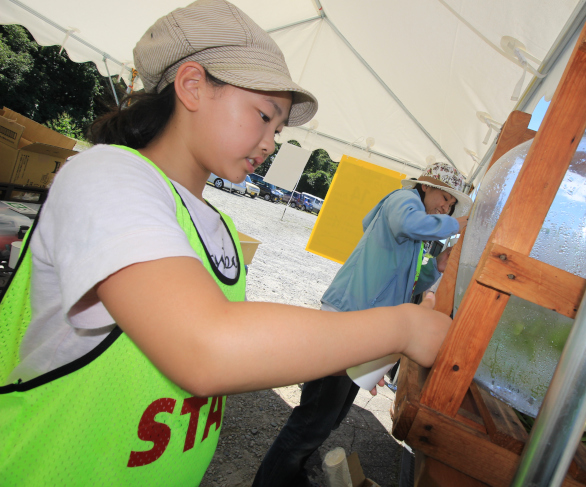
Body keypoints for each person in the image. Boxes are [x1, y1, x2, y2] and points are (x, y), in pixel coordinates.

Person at [0, 1, 451, 485]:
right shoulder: (106, 175)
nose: (272, 141)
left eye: (278, 129)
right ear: (192, 86)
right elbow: (205, 347)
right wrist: (403, 328)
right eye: (263, 116)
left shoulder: (216, 228)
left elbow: (245, 347)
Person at [254, 162, 471, 487]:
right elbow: (410, 223)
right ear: (425, 186)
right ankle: (272, 480)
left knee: (332, 414)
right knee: (315, 416)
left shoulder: (415, 236)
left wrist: (438, 265)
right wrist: (457, 223)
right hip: (348, 319)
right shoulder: (404, 202)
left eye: (452, 205)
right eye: (445, 196)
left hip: (364, 328)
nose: (447, 205)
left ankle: (292, 471)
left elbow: (411, 282)